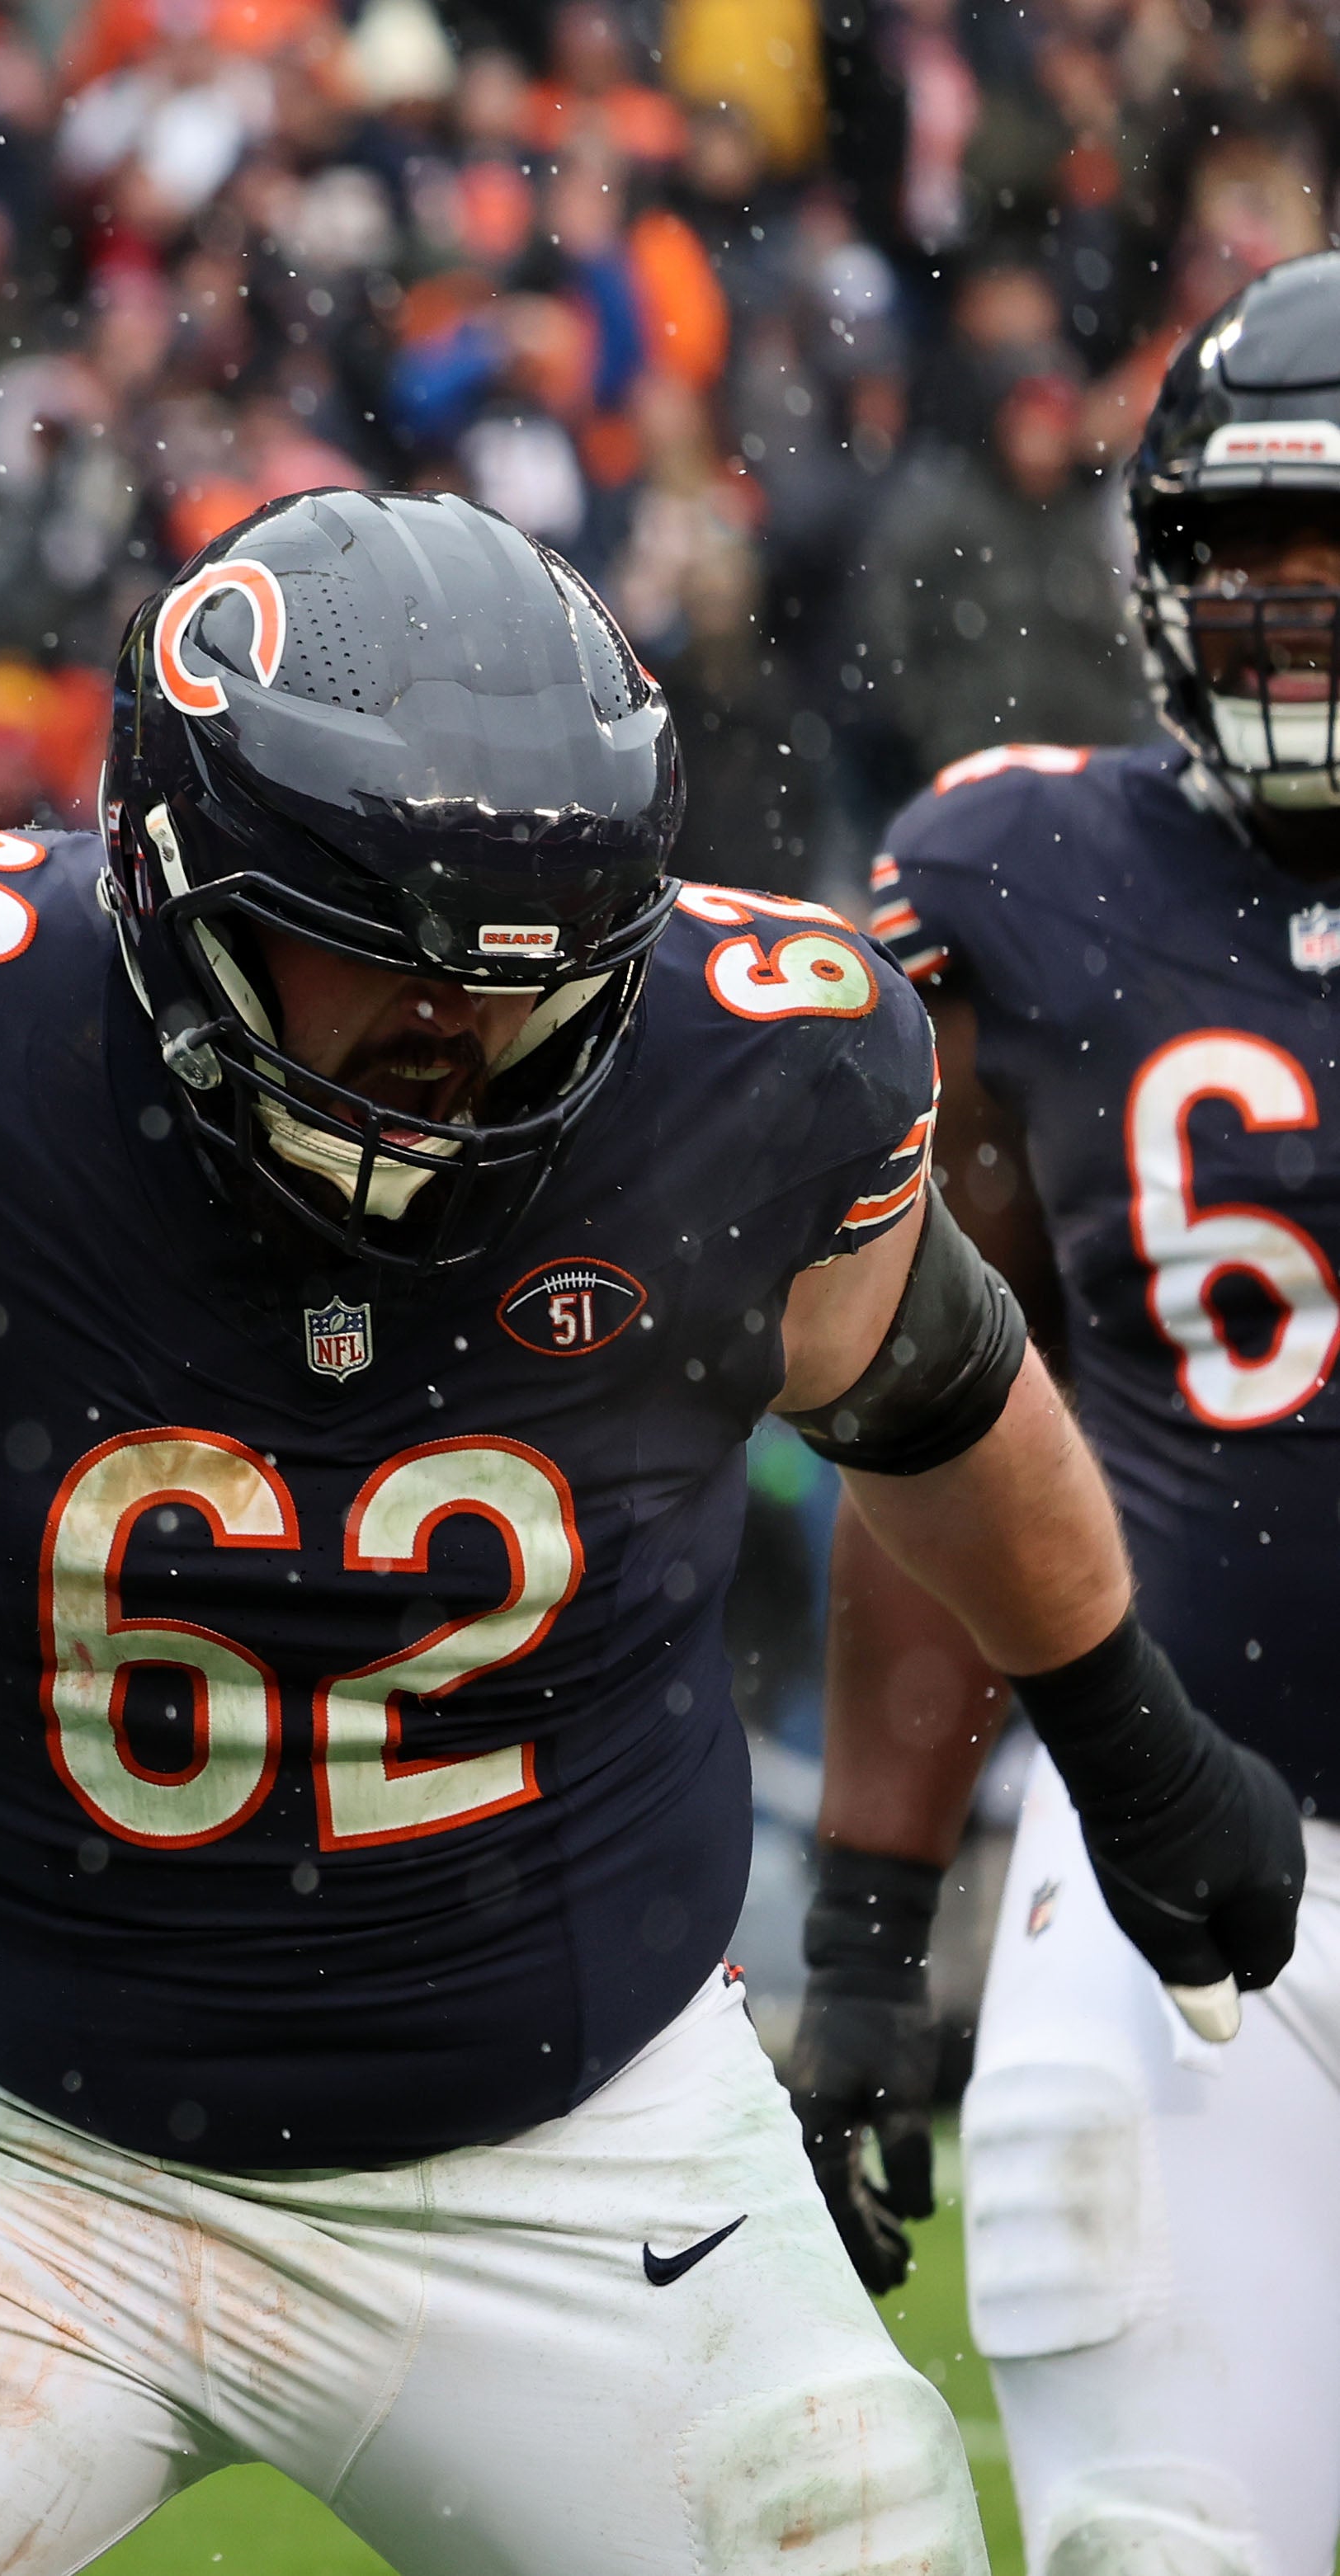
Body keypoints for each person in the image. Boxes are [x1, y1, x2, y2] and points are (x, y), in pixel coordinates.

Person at [0, 487, 1305, 2571]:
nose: (461, 1045)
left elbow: (943, 1391)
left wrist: (1128, 1740)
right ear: (168, 885)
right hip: (1, 2119)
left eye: (529, 980)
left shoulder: (749, 1069)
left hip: (586, 2150)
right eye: (378, 954)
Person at [812, 248, 1340, 2576]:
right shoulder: (1025, 875)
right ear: (1151, 582)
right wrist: (853, 1935)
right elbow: (917, 1414)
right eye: (1253, 564)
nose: (1300, 620)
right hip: (1174, 1905)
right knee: (1165, 2541)